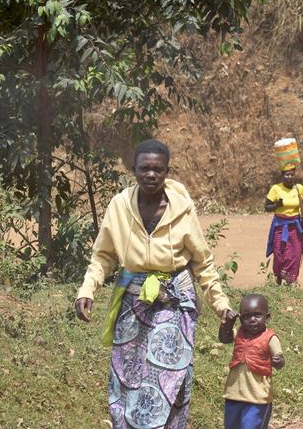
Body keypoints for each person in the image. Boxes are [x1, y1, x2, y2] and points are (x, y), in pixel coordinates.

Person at [74, 139, 237, 429]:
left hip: (173, 300)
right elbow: (103, 255)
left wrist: (220, 304)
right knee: (127, 378)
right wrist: (87, 290)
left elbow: (202, 261)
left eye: (157, 170)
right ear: (133, 170)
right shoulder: (120, 206)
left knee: (167, 376)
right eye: (144, 169)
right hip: (132, 302)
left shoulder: (182, 208)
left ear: (167, 171)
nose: (151, 175)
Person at [219, 294, 285, 429]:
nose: (252, 320)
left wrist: (278, 361)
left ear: (267, 316)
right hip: (233, 395)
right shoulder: (239, 332)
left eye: (257, 315)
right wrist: (227, 325)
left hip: (258, 398)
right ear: (241, 318)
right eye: (247, 316)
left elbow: (280, 360)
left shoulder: (270, 338)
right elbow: (224, 339)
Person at [264, 164, 303, 285]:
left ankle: (292, 280)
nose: (289, 177)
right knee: (279, 252)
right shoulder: (276, 189)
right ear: (282, 176)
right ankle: (278, 277)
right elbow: (267, 207)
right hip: (280, 225)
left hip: (295, 226)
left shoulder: (299, 188)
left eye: (291, 175)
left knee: (296, 253)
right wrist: (276, 205)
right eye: (287, 175)